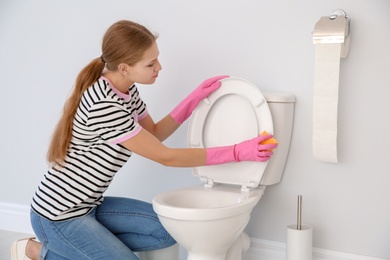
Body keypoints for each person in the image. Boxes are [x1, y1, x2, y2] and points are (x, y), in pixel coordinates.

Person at [10, 20, 277, 260]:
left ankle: (89, 248)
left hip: (89, 204)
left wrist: (194, 98)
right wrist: (238, 152)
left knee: (167, 231)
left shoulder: (125, 89)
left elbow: (154, 134)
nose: (159, 67)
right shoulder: (104, 104)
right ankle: (36, 251)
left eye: (157, 59)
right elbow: (165, 156)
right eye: (151, 64)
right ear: (125, 67)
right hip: (58, 216)